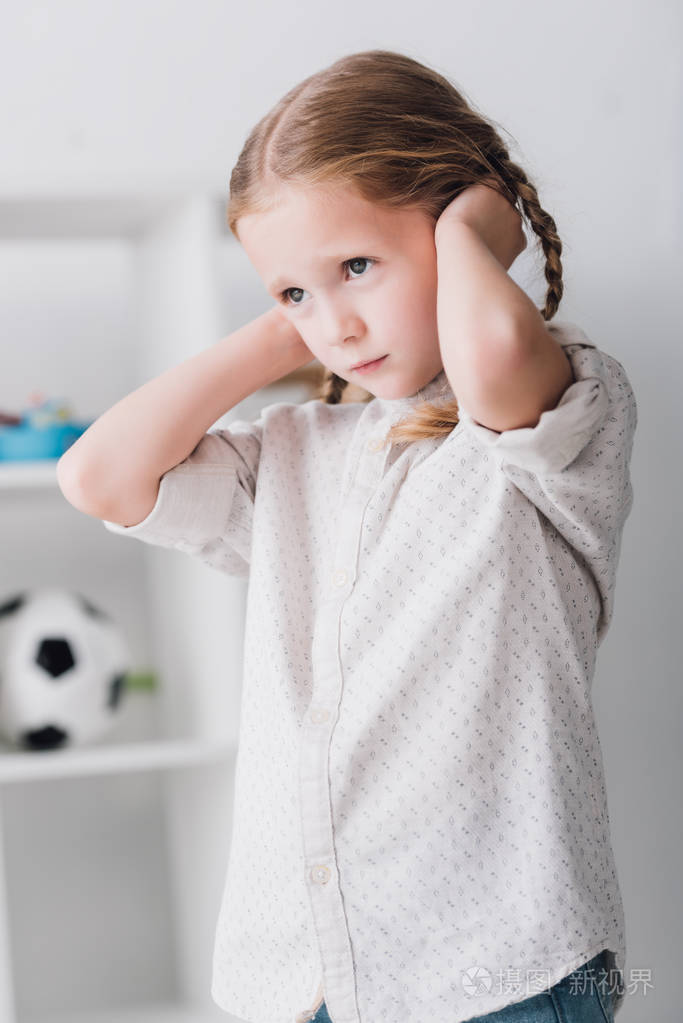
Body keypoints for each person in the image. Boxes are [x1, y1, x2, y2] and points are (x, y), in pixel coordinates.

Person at [57, 49, 636, 1023]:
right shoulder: (293, 451)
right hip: (310, 974)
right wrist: (291, 326)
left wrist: (474, 224)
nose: (336, 323)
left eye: (358, 267)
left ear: (463, 226)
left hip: (498, 967)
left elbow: (491, 354)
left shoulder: (553, 414)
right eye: (293, 292)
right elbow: (98, 477)